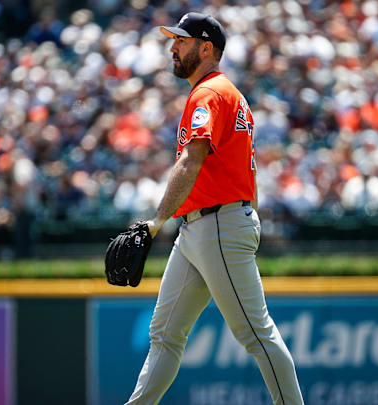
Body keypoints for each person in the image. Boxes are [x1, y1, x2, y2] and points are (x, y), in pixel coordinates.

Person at [126, 12, 305, 405]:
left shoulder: (209, 94)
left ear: (206, 48)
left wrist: (155, 223)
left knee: (257, 335)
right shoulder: (226, 93)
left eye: (182, 41)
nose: (173, 48)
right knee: (165, 335)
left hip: (217, 224)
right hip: (203, 227)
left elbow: (191, 160)